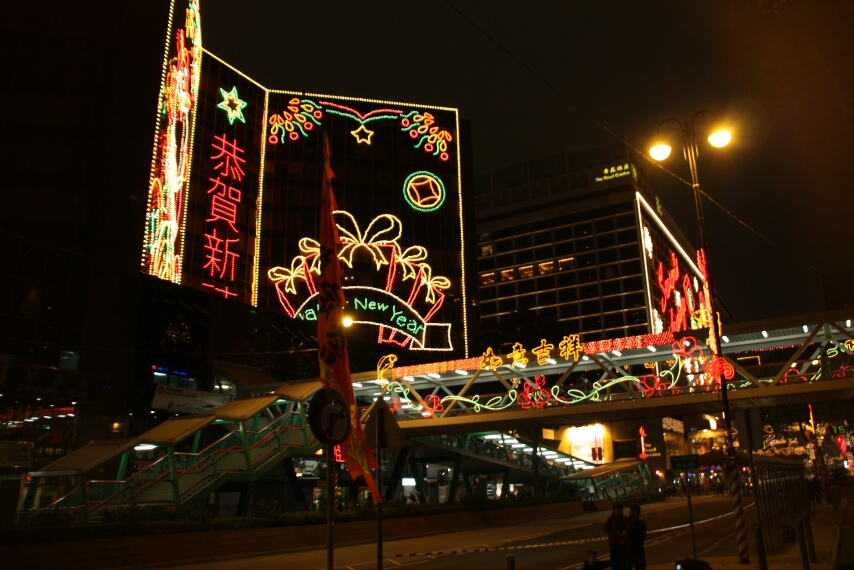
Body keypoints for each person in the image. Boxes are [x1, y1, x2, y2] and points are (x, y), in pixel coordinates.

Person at [603, 503, 629, 570]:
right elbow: (605, 529)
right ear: (614, 511)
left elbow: (629, 526)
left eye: (620, 510)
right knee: (615, 562)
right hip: (614, 543)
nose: (619, 512)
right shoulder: (610, 519)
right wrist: (616, 533)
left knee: (623, 562)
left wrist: (626, 530)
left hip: (623, 543)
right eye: (618, 510)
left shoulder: (624, 518)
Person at [627, 504, 647, 570]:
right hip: (627, 552)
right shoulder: (624, 523)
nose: (632, 512)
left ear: (638, 512)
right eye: (630, 510)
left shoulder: (641, 524)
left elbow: (641, 539)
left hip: (638, 551)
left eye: (634, 511)